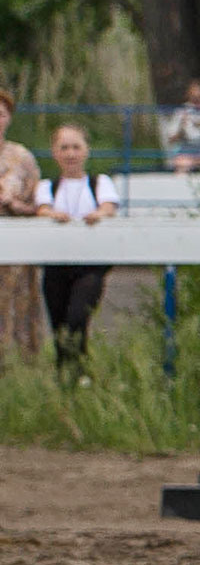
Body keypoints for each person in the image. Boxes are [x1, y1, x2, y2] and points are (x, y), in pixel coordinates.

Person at [34, 123, 118, 376]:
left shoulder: (99, 182)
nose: (70, 154)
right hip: (57, 264)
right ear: (55, 153)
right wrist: (52, 214)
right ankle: (67, 377)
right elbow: (42, 209)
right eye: (64, 148)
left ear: (86, 151)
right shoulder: (46, 186)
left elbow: (109, 207)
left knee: (77, 318)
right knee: (59, 325)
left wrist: (98, 214)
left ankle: (80, 372)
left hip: (90, 265)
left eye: (76, 147)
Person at [0, 86, 41, 359]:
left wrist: (16, 205)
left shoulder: (22, 157)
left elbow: (39, 203)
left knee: (16, 304)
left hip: (15, 244)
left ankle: (20, 365)